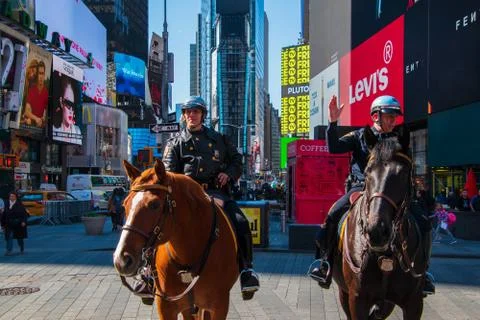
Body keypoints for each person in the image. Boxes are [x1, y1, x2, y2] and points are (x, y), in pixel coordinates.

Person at [307, 95, 435, 295]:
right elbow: (333, 147)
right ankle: (324, 264)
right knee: (332, 216)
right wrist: (332, 122)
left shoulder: (398, 139)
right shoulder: (359, 136)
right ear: (376, 116)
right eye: (389, 116)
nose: (393, 120)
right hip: (360, 188)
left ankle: (423, 272)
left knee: (424, 221)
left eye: (395, 116)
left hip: (392, 193)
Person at [162, 96, 260, 301]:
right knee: (156, 222)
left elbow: (237, 161)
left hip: (217, 193)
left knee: (241, 223)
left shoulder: (220, 139)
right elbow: (168, 174)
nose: (191, 115)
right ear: (184, 115)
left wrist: (229, 174)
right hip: (185, 196)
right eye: (188, 112)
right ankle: (147, 274)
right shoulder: (174, 143)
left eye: (195, 111)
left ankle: (246, 271)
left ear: (203, 115)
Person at [52, 75, 82, 145]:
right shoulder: (53, 129)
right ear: (61, 102)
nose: (71, 110)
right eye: (68, 104)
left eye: (73, 105)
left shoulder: (77, 132)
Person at [22, 61, 48, 128]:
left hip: (38, 128)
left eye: (42, 73)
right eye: (39, 74)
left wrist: (43, 119)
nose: (41, 77)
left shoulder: (46, 92)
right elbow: (27, 111)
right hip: (29, 125)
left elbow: (45, 112)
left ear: (44, 74)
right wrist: (35, 118)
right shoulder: (31, 89)